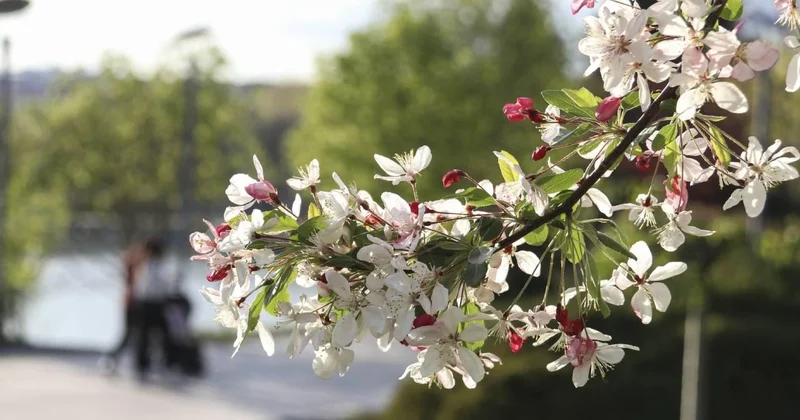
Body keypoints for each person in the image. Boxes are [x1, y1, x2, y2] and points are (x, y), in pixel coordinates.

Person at [99, 240, 145, 374]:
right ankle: (112, 358)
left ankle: (122, 360)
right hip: (132, 303)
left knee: (132, 334)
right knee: (129, 334)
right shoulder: (133, 265)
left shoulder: (133, 265)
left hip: (131, 302)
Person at [131, 236, 172, 382]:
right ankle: (154, 363)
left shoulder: (147, 265)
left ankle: (145, 364)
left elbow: (140, 286)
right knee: (156, 335)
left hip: (148, 303)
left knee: (146, 336)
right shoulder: (156, 266)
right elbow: (164, 286)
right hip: (154, 303)